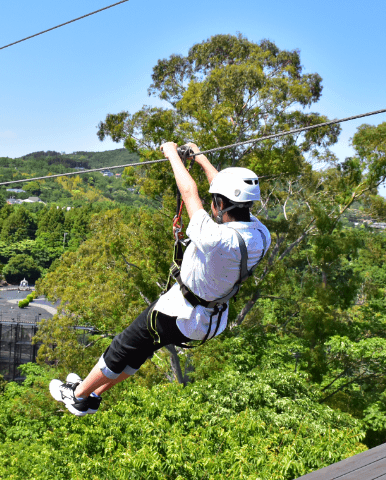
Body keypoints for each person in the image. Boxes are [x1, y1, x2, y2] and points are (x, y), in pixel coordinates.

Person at [49, 142, 271, 416]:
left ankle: (77, 395)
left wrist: (172, 155)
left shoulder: (215, 238)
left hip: (180, 313)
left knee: (122, 346)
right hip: (209, 320)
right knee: (140, 350)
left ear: (221, 203)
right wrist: (200, 158)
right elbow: (221, 190)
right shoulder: (261, 235)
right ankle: (94, 393)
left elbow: (189, 193)